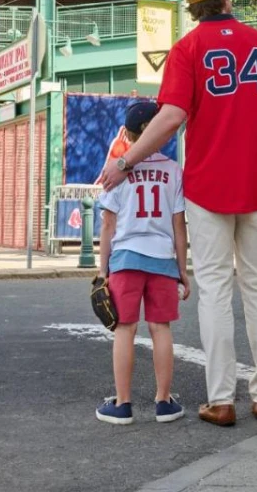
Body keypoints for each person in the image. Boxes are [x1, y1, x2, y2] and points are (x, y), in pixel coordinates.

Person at [100, 0, 257, 427]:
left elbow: (169, 118)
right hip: (256, 183)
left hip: (207, 186)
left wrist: (126, 162)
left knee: (215, 293)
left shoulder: (187, 49)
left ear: (192, 5)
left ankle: (221, 399)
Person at [95, 100, 191, 426]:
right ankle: (164, 402)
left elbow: (108, 225)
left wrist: (102, 269)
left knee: (125, 328)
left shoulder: (118, 169)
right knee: (160, 328)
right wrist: (183, 270)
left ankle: (122, 404)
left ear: (128, 133)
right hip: (163, 258)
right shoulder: (173, 170)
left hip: (125, 258)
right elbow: (179, 225)